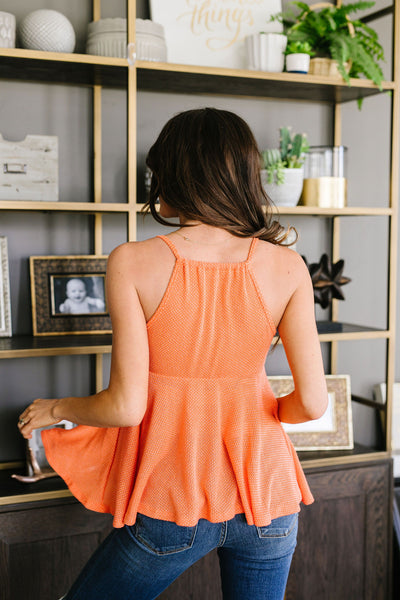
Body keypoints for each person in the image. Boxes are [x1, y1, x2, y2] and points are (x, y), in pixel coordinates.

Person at [17, 108, 328, 600]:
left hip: (173, 501)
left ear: (171, 174)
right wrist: (262, 411)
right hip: (268, 497)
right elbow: (312, 404)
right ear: (245, 175)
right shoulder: (288, 266)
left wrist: (55, 409)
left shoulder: (133, 261)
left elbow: (125, 407)